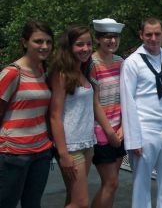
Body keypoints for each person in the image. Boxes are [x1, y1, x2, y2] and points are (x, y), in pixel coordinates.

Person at [120, 17, 162, 208]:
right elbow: (127, 101)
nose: (153, 38)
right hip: (144, 129)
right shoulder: (132, 62)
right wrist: (133, 138)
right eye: (148, 34)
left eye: (157, 34)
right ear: (141, 35)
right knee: (141, 182)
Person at [0, 21, 54, 208]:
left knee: (33, 203)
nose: (44, 46)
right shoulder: (12, 73)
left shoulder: (42, 71)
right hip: (14, 153)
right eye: (38, 41)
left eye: (48, 41)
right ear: (24, 42)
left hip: (41, 151)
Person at [49, 25, 97, 208]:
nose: (85, 49)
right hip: (71, 145)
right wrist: (63, 154)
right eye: (79, 44)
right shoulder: (61, 74)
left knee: (72, 197)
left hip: (86, 143)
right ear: (69, 47)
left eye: (88, 44)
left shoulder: (82, 72)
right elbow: (55, 115)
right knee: (81, 202)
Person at [90, 18, 126, 208]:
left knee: (112, 183)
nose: (112, 41)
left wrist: (122, 127)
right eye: (107, 37)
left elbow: (125, 97)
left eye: (115, 37)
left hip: (119, 129)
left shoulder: (120, 62)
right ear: (98, 39)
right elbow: (94, 102)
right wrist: (110, 132)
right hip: (101, 131)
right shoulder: (91, 63)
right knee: (111, 182)